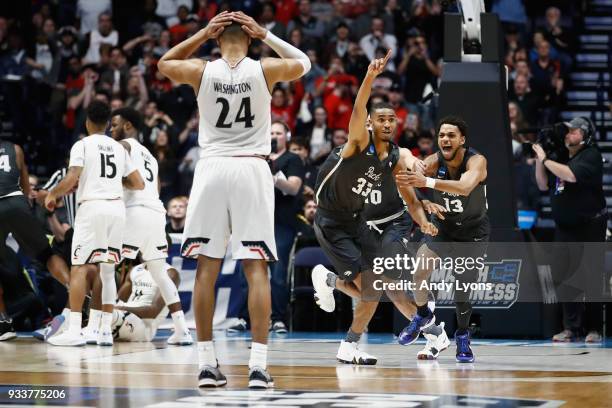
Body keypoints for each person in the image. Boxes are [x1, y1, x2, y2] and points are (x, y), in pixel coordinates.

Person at [157, 10, 311, 389]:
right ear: (249, 38)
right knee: (255, 269)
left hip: (211, 170)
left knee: (207, 269)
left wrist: (199, 35)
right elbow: (304, 63)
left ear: (217, 38)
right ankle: (258, 367)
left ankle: (207, 365)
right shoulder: (264, 69)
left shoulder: (201, 70)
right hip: (251, 170)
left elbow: (164, 63)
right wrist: (268, 35)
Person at [310, 51, 444, 364]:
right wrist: (370, 76)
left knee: (381, 287)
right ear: (370, 123)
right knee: (372, 290)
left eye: (390, 119)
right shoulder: (358, 141)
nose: (385, 123)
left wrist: (426, 172)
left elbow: (412, 162)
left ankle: (332, 291)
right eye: (380, 119)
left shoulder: (396, 155)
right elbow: (358, 108)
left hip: (358, 222)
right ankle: (349, 345)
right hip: (331, 222)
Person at [44, 101, 144, 347]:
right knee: (108, 270)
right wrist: (114, 184)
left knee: (79, 267)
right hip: (116, 209)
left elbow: (71, 178)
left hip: (92, 208)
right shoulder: (119, 148)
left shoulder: (82, 144)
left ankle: (75, 330)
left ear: (88, 122)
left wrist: (52, 195)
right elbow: (138, 183)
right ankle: (102, 331)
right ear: (108, 123)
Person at [395, 115, 489, 363]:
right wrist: (424, 200)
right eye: (441, 135)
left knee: (462, 290)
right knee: (419, 273)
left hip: (472, 232)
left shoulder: (476, 161)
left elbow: (465, 187)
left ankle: (462, 335)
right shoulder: (433, 161)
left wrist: (426, 182)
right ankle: (423, 315)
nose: (445, 139)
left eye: (451, 135)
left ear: (462, 139)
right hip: (445, 228)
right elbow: (406, 180)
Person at [109, 107, 192, 346]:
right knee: (160, 273)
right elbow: (155, 190)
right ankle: (182, 330)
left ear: (127, 126)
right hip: (156, 214)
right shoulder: (151, 157)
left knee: (107, 266)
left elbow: (121, 179)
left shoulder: (123, 146)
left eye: (115, 125)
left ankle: (100, 327)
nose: (111, 129)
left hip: (135, 212)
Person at [533, 117, 606, 343]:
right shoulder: (560, 157)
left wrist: (545, 160)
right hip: (565, 227)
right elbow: (542, 184)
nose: (568, 135)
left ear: (585, 135)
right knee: (563, 276)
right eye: (567, 131)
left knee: (591, 276)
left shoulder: (591, 155)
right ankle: (571, 328)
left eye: (573, 131)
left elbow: (571, 175)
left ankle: (594, 329)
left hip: (590, 224)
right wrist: (539, 160)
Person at [269, 121, 305, 333]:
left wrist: (272, 177)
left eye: (278, 133)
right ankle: (243, 317)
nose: (274, 136)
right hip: (258, 219)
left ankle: (278, 318)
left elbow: (293, 187)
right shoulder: (258, 158)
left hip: (282, 222)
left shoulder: (292, 159)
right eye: (271, 132)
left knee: (278, 272)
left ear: (287, 137)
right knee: (247, 270)